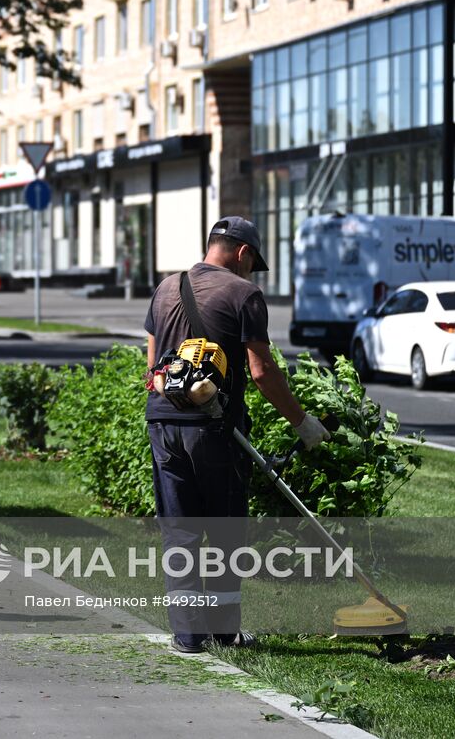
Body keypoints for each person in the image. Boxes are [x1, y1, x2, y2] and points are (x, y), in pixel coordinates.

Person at [143, 216, 330, 655]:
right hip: (216, 431)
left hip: (163, 424)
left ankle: (188, 637)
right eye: (252, 262)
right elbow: (262, 371)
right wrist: (304, 424)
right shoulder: (245, 293)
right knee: (225, 532)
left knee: (181, 531)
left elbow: (152, 372)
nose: (251, 271)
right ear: (243, 253)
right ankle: (225, 633)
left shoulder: (166, 287)